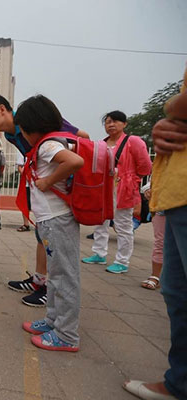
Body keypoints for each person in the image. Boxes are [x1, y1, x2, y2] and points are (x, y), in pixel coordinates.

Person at [0, 93, 89, 307]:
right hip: (42, 192)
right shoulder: (10, 136)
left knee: (56, 247)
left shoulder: (32, 118)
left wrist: (60, 177)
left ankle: (52, 293)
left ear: (1, 109)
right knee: (41, 234)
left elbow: (81, 137)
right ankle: (40, 280)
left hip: (57, 194)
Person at [124, 67, 187, 400]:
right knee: (177, 294)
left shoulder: (129, 143)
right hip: (174, 194)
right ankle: (179, 383)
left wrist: (172, 110)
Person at [14, 95, 84, 352]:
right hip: (50, 221)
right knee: (56, 275)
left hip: (58, 220)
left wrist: (46, 182)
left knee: (65, 277)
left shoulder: (47, 145)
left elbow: (75, 162)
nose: (22, 135)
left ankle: (66, 334)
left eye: (22, 129)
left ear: (32, 126)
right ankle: (53, 320)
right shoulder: (50, 142)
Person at [82, 111, 152, 274]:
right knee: (100, 221)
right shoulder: (102, 144)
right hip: (103, 188)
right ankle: (99, 253)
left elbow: (145, 167)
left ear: (124, 124)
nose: (111, 125)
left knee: (123, 225)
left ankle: (122, 260)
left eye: (115, 121)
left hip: (123, 189)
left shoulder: (132, 142)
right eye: (107, 122)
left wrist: (130, 179)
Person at [140, 182, 164, 290]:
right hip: (162, 205)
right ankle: (156, 276)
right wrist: (147, 189)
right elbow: (156, 175)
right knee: (160, 242)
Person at [16, 151, 31, 232]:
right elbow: (20, 167)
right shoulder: (22, 150)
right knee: (26, 204)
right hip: (27, 183)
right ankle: (26, 224)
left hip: (39, 183)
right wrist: (25, 175)